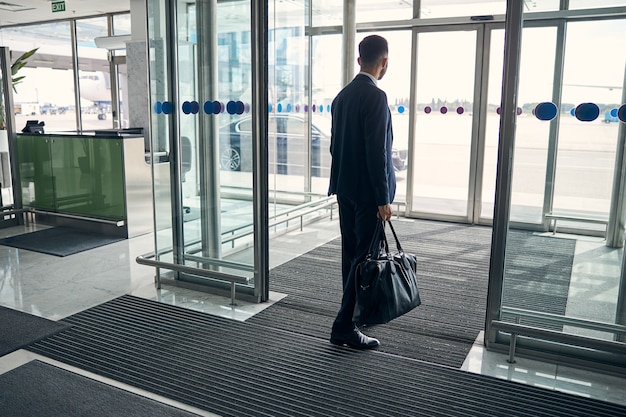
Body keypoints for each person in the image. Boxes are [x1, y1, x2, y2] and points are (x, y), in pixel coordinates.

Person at [328, 34, 396, 350]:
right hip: (369, 194)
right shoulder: (376, 97)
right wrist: (383, 198)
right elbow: (377, 152)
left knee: (351, 257)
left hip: (346, 189)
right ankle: (345, 325)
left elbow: (334, 147)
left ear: (359, 60)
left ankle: (351, 316)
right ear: (384, 62)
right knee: (363, 258)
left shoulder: (341, 97)